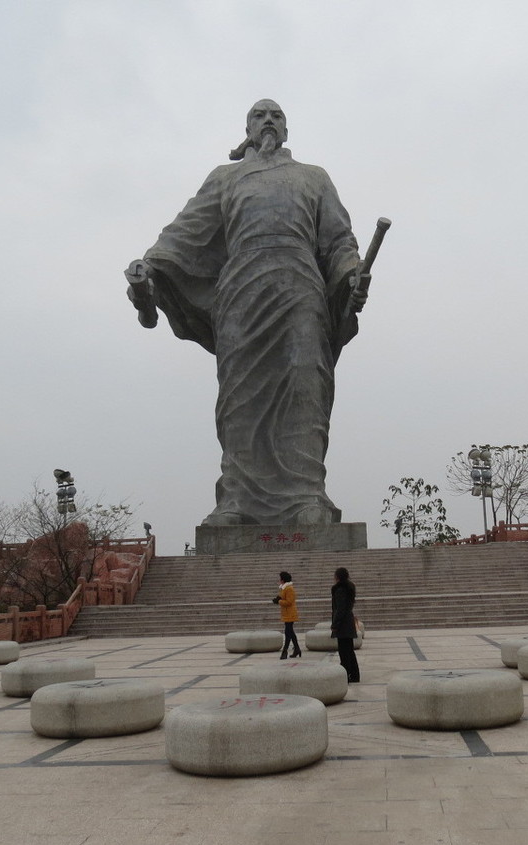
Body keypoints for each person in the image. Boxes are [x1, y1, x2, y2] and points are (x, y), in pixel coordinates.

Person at [126, 99, 369, 527]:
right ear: (248, 130)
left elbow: (339, 242)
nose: (269, 120)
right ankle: (235, 500)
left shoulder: (313, 178)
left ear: (287, 131)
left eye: (276, 115)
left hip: (299, 292)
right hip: (241, 293)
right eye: (260, 115)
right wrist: (151, 266)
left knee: (303, 385)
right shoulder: (225, 178)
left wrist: (351, 273)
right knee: (239, 398)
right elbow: (184, 232)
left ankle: (306, 496)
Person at [330, 566, 359, 683]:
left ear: (337, 577)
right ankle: (355, 675)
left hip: (343, 624)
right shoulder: (349, 588)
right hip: (348, 621)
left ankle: (346, 675)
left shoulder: (340, 590)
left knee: (344, 652)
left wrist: (335, 624)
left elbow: (340, 609)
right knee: (349, 650)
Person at [276, 570, 300, 659]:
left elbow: (289, 602)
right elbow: (283, 597)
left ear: (283, 580)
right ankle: (297, 649)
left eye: (280, 579)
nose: (279, 580)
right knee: (290, 632)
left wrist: (279, 601)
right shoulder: (284, 588)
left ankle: (284, 651)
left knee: (287, 632)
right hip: (287, 613)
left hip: (290, 614)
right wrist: (278, 599)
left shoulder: (289, 588)